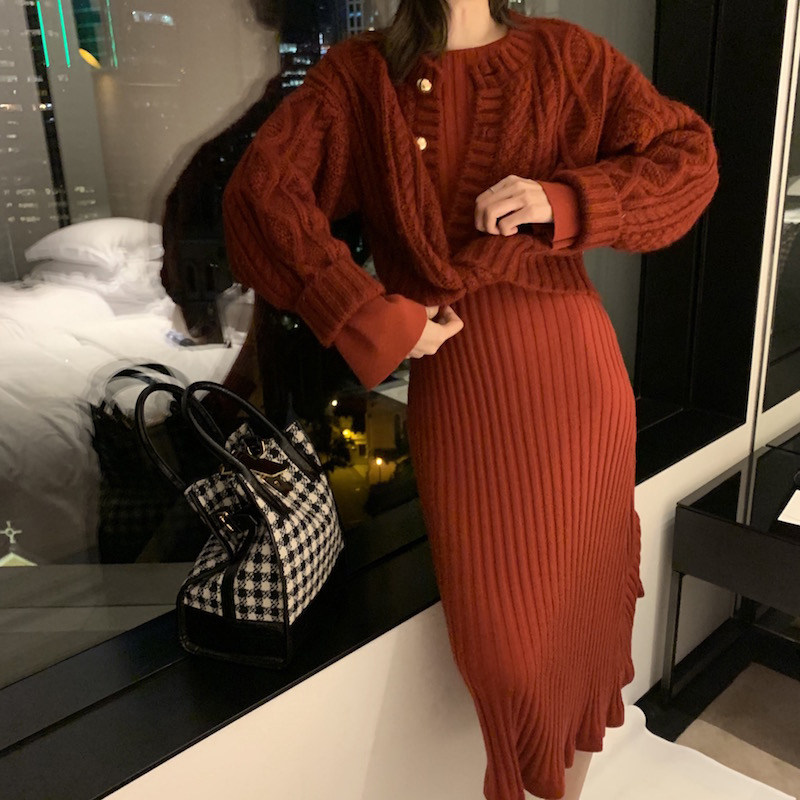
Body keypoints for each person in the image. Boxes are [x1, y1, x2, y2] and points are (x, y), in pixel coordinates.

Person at [221, 2, 720, 798]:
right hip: (461, 391)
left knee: (576, 627)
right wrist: (370, 315)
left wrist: (565, 200)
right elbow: (259, 199)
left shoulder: (567, 56)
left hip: (576, 376)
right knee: (505, 657)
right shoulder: (362, 76)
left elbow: (689, 160)